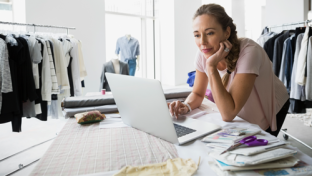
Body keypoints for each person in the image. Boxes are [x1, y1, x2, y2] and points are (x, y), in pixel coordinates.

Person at [168, 4, 289, 137]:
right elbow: (197, 93)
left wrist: (211, 66)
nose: (202, 41)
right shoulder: (202, 54)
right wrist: (186, 105)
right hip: (240, 106)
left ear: (226, 32)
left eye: (209, 33)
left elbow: (228, 114)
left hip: (270, 104)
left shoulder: (249, 52)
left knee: (259, 146)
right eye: (197, 35)